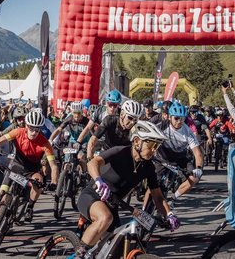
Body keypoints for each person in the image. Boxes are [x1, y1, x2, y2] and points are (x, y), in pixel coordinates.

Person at [76, 121, 180, 255]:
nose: (154, 150)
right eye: (152, 145)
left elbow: (158, 197)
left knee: (117, 251)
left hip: (113, 204)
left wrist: (169, 214)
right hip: (93, 195)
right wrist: (98, 180)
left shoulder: (148, 167)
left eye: (157, 146)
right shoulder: (120, 151)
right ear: (137, 141)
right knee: (105, 218)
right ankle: (80, 255)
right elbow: (93, 163)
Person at [0, 111, 58, 222]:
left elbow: (54, 166)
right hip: (15, 165)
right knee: (3, 193)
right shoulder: (18, 132)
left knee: (39, 181)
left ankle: (30, 207)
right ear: (27, 126)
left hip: (32, 169)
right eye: (31, 129)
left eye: (37, 130)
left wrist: (54, 182)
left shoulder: (45, 143)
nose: (34, 133)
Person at [148, 102, 204, 200]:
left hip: (180, 157)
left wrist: (199, 168)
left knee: (194, 178)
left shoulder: (188, 132)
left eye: (182, 118)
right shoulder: (161, 126)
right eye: (176, 118)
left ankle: (173, 198)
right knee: (152, 181)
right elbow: (150, 139)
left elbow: (197, 153)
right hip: (163, 156)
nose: (179, 121)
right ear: (170, 117)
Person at [50, 102, 90, 166]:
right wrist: (50, 139)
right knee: (67, 158)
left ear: (82, 112)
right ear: (72, 112)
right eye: (74, 113)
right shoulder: (69, 119)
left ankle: (84, 173)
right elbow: (59, 129)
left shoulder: (86, 121)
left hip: (84, 141)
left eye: (78, 113)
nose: (76, 115)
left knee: (80, 157)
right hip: (73, 140)